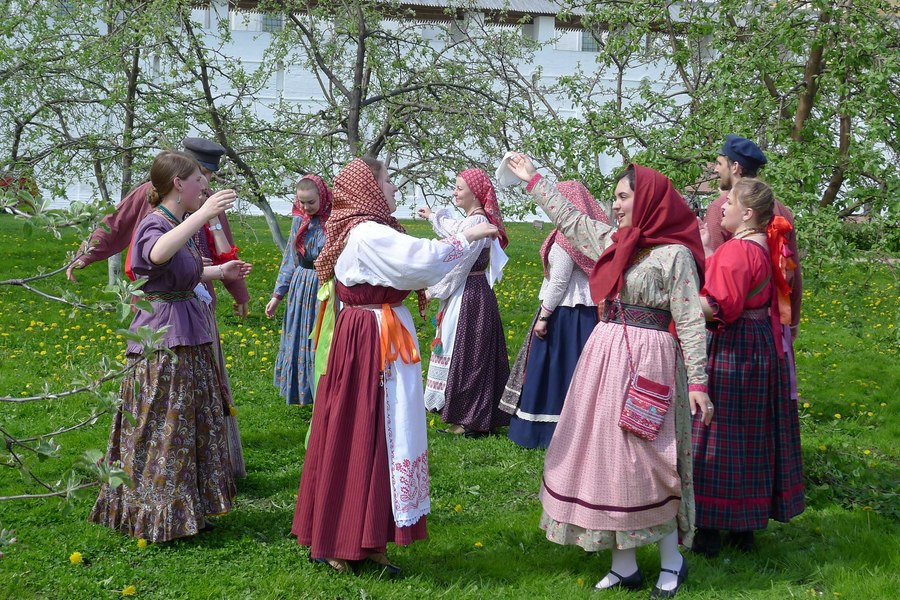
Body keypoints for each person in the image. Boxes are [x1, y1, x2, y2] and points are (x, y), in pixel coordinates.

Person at [506, 153, 712, 599]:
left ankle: (673, 562)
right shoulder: (616, 241)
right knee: (608, 459)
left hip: (650, 360)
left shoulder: (674, 256)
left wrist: (697, 383)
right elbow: (571, 220)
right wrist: (533, 180)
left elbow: (692, 322)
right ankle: (624, 566)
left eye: (622, 197)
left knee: (649, 460)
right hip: (604, 357)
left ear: (648, 200)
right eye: (615, 198)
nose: (614, 205)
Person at [291, 157, 499, 574]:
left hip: (376, 333)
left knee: (380, 433)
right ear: (368, 185)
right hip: (370, 340)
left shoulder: (369, 229)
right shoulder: (367, 232)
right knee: (364, 430)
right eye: (387, 181)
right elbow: (420, 261)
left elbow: (415, 267)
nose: (394, 189)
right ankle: (343, 540)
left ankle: (369, 540)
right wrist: (468, 235)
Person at [89, 150, 252, 542]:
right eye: (200, 181)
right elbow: (156, 254)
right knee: (165, 426)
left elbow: (176, 270)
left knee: (191, 424)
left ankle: (187, 509)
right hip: (163, 338)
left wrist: (220, 270)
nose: (205, 187)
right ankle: (156, 513)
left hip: (189, 332)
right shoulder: (155, 223)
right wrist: (204, 213)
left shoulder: (178, 223)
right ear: (178, 184)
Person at [692, 178, 805, 557]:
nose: (721, 208)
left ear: (748, 213)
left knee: (717, 434)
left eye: (729, 203)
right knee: (752, 436)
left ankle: (707, 530)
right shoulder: (769, 247)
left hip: (732, 345)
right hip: (761, 344)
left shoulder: (735, 252)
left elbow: (720, 306)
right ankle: (745, 530)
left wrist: (677, 302)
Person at [500, 181, 608, 449]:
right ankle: (583, 431)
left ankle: (545, 431)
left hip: (563, 314)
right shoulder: (593, 235)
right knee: (579, 372)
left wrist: (544, 316)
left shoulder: (564, 239)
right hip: (588, 312)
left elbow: (559, 282)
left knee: (554, 370)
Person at [702, 135, 802, 401]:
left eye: (720, 163)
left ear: (735, 167)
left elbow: (717, 277)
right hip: (772, 325)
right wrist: (792, 321)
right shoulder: (781, 209)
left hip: (733, 326)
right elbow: (793, 272)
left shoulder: (719, 209)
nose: (716, 169)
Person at [417, 168, 510, 438]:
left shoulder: (476, 221)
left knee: (467, 353)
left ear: (475, 193)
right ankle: (473, 417)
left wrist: (434, 289)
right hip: (474, 291)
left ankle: (470, 420)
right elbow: (456, 231)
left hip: (468, 293)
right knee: (472, 352)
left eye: (459, 188)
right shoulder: (473, 220)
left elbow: (458, 263)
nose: (454, 192)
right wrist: (433, 216)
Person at [265, 175, 332, 405]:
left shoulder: (334, 219)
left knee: (323, 338)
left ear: (322, 197)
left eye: (310, 202)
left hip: (326, 285)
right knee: (301, 338)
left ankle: (325, 392)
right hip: (301, 286)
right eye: (301, 202)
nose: (305, 207)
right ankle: (303, 391)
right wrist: (277, 295)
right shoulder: (299, 219)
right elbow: (290, 258)